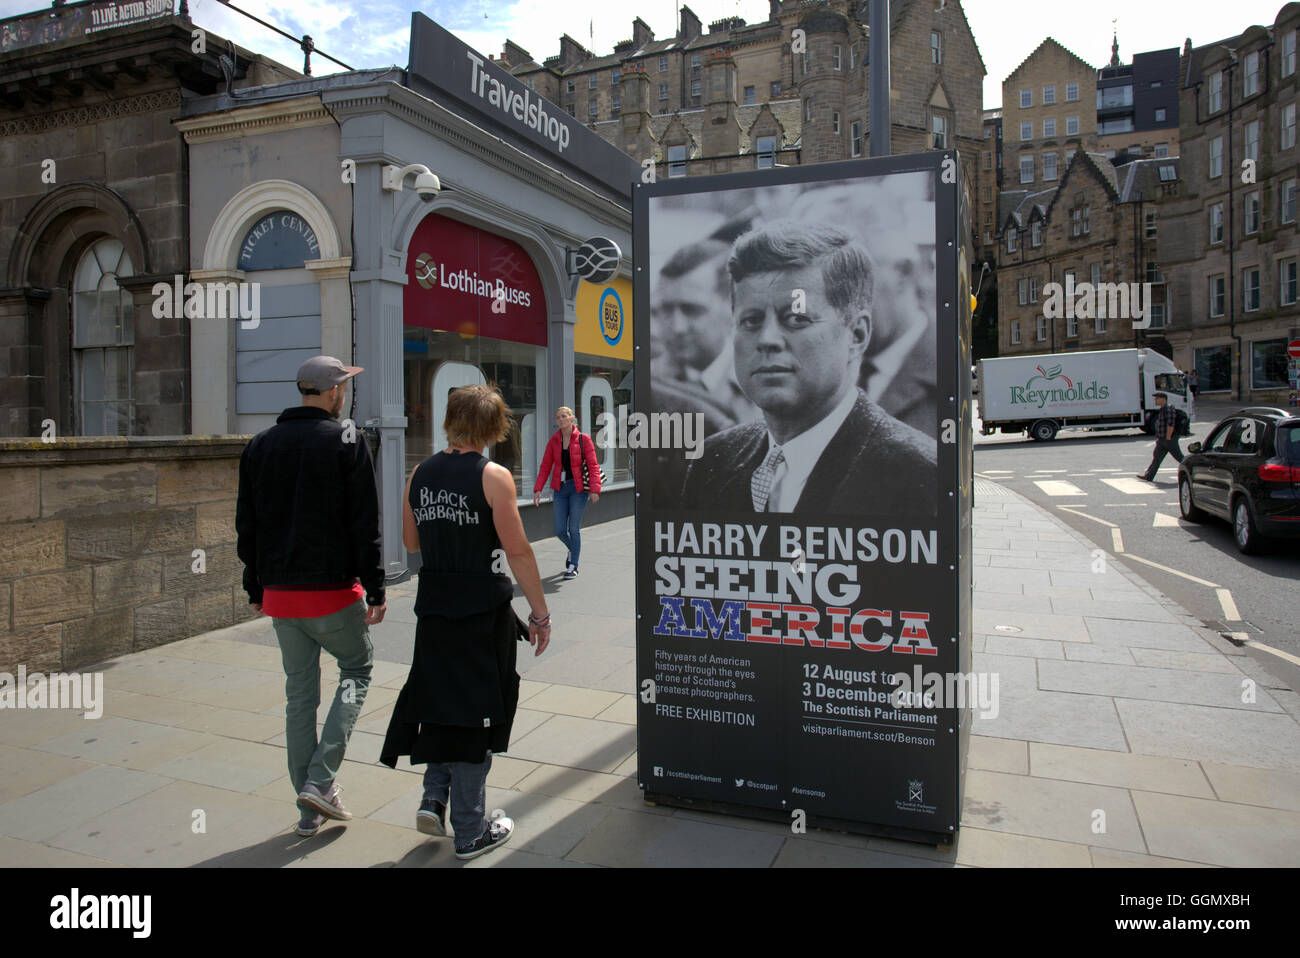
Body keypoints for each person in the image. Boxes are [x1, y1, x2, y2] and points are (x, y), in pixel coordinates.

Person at [381, 384, 551, 861]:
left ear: (450, 419)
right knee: (478, 714)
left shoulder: (420, 473)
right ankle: (471, 832)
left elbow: (410, 544)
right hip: (480, 611)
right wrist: (540, 613)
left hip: (434, 610)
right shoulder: (493, 476)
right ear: (493, 427)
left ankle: (434, 797)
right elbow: (517, 551)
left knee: (440, 702)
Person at [680, 219, 937, 515]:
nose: (767, 340)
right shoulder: (712, 461)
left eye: (796, 319)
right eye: (751, 320)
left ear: (857, 335)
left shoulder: (918, 475)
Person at [236, 355, 387, 838]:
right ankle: (321, 781)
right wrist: (377, 587)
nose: (344, 392)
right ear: (334, 392)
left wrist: (255, 587)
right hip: (331, 592)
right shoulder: (346, 439)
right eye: (343, 385)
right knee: (357, 671)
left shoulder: (260, 444)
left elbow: (248, 526)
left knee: (299, 698)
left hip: (281, 595)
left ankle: (309, 809)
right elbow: (365, 523)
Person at [532, 406, 601, 578]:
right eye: (558, 417)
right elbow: (546, 466)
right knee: (560, 530)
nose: (560, 419)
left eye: (564, 416)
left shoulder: (584, 439)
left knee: (574, 528)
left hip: (578, 489)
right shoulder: (554, 441)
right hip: (560, 489)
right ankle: (573, 549)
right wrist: (538, 488)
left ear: (572, 419)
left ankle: (573, 565)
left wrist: (595, 489)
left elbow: (593, 465)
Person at [1137, 391, 1183, 482]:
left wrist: (1168, 437)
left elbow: (1171, 423)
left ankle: (1193, 471)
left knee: (1180, 458)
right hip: (1162, 439)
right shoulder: (1162, 409)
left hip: (1169, 439)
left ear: (1163, 399)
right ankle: (1149, 476)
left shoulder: (1169, 408)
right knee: (1157, 458)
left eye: (1157, 398)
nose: (1155, 400)